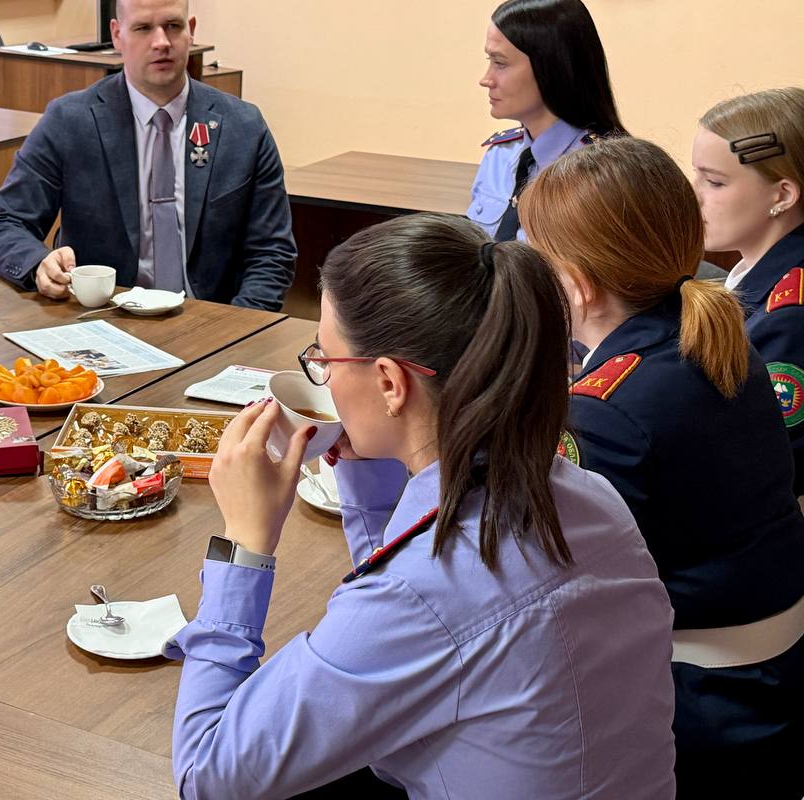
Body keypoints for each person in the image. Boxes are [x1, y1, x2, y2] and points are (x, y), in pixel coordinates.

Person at [167, 214, 677, 799]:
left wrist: (244, 544)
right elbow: (401, 604)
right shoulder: (589, 495)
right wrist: (367, 464)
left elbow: (207, 775)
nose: (322, 379)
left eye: (325, 360)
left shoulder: (423, 595)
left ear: (390, 382)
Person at [520, 137, 804, 797]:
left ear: (576, 286)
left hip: (708, 698)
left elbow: (552, 579)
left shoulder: (606, 410)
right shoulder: (709, 327)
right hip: (773, 662)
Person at [0, 0, 296, 311]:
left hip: (213, 317)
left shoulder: (243, 127)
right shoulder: (71, 122)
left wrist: (238, 326)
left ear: (191, 31)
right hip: (103, 319)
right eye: (143, 28)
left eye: (173, 26)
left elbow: (272, 253)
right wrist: (38, 263)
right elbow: (3, 226)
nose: (161, 42)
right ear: (117, 35)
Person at [692, 88, 804, 492]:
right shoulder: (756, 275)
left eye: (714, 182)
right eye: (696, 175)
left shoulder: (788, 316)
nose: (693, 194)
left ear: (782, 195)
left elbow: (767, 461)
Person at [470, 0, 626, 241]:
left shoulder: (599, 173)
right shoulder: (499, 155)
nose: (486, 79)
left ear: (551, 67)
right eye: (490, 60)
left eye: (500, 63)